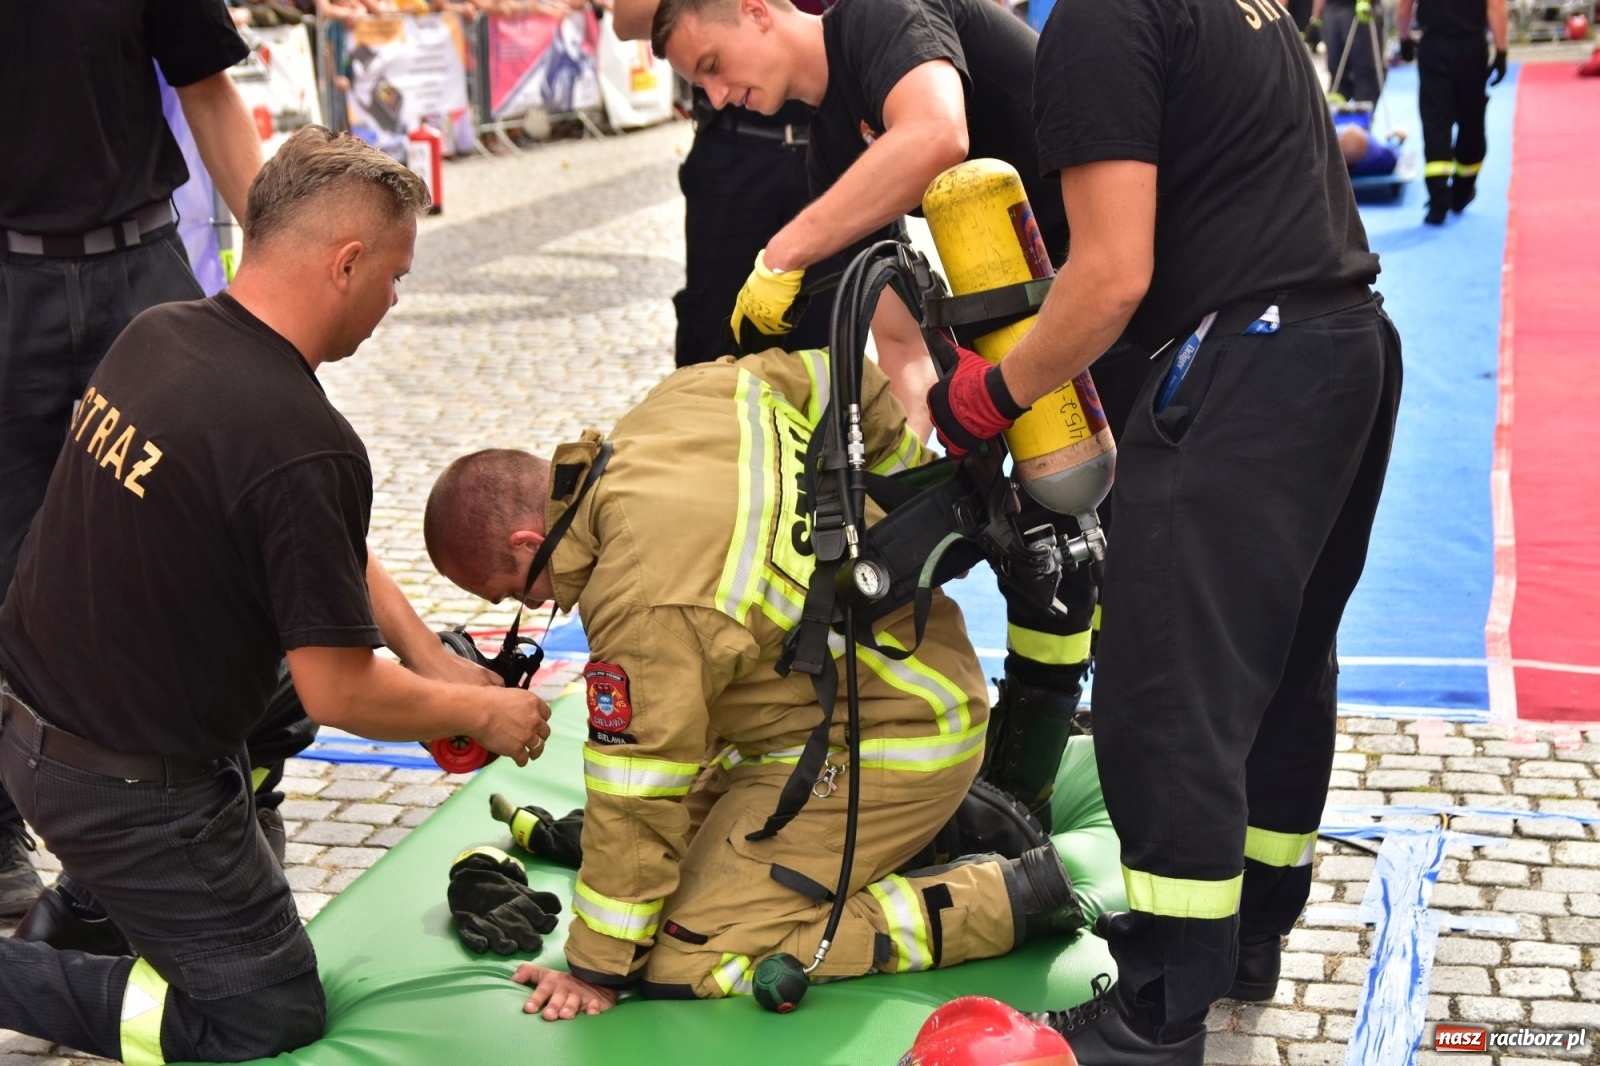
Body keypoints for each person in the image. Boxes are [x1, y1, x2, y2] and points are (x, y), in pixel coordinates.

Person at [0, 127, 552, 1064]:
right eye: (395, 275)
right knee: (267, 1019)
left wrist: (430, 662)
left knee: (280, 688)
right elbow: (344, 693)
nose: (391, 300)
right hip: (127, 787)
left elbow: (313, 540)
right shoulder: (302, 439)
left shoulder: (159, 334)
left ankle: (91, 906)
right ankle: (43, 962)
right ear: (346, 262)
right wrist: (483, 715)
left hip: (31, 720)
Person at [925, 0, 1404, 1059]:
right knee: (1276, 663)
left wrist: (988, 394)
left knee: (1167, 687)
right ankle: (1246, 939)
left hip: (1243, 362)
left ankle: (1155, 1007)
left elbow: (1108, 276)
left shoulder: (1098, 23)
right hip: (1345, 343)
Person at [423, 347, 1087, 1016]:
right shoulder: (677, 405)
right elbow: (844, 377)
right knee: (670, 884)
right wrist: (900, 509)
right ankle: (915, 833)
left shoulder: (639, 597)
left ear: (524, 541)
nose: (537, 609)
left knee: (687, 954)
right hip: (888, 692)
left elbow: (638, 790)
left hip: (889, 743)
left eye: (515, 591)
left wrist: (598, 969)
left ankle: (999, 901)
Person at [650, 0, 1154, 823]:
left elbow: (936, 135)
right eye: (696, 90)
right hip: (1039, 305)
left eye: (710, 66)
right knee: (1041, 544)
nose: (715, 97)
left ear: (756, 11)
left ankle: (1148, 778)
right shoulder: (832, 152)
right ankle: (1023, 772)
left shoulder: (876, 17)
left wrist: (786, 250)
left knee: (1134, 548)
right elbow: (903, 346)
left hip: (1117, 277)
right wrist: (922, 463)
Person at [0, 0, 268, 918]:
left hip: (141, 270)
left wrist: (278, 254)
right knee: (5, 568)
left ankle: (196, 810)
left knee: (180, 555)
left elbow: (209, 88)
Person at [612, 0, 836, 373]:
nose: (712, 88)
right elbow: (626, 20)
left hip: (833, 135)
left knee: (828, 345)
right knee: (714, 343)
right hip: (736, 149)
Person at [1395, 0, 1508, 224]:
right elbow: (1495, 5)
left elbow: (1404, 6)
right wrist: (1501, 50)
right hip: (1471, 48)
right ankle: (1462, 192)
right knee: (1471, 120)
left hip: (1433, 46)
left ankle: (1438, 201)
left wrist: (1404, 38)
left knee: (1436, 121)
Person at [1307, 0, 1385, 104]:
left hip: (1342, 12)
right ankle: (1354, 115)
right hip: (1344, 12)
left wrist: (1315, 18)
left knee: (1348, 77)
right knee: (1350, 77)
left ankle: (1355, 114)